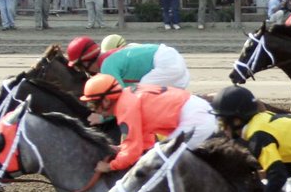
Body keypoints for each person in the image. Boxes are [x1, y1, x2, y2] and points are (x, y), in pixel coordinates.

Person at [81, 74, 217, 174]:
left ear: (105, 101)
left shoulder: (125, 107)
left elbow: (132, 152)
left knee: (162, 166)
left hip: (195, 120)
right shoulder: (128, 95)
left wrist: (110, 166)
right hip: (196, 112)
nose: (92, 108)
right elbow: (143, 141)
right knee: (159, 157)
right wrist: (121, 149)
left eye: (93, 104)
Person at [99, 41, 192, 89]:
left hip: (169, 64)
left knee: (141, 91)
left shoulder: (127, 53)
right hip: (176, 64)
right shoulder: (132, 50)